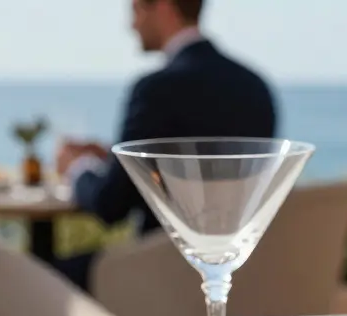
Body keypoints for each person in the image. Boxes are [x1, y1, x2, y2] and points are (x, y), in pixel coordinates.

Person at [58, 0, 277, 248]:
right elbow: (201, 157)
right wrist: (111, 156)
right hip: (242, 268)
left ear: (164, 7)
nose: (131, 25)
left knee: (44, 273)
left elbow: (111, 204)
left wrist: (76, 167)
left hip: (162, 268)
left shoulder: (156, 91)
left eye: (136, 10)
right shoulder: (254, 87)